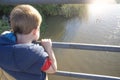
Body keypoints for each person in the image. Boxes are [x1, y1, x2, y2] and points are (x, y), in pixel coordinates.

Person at [0, 4, 57, 80]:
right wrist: (48, 48)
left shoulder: (3, 43)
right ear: (35, 31)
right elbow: (53, 69)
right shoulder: (37, 55)